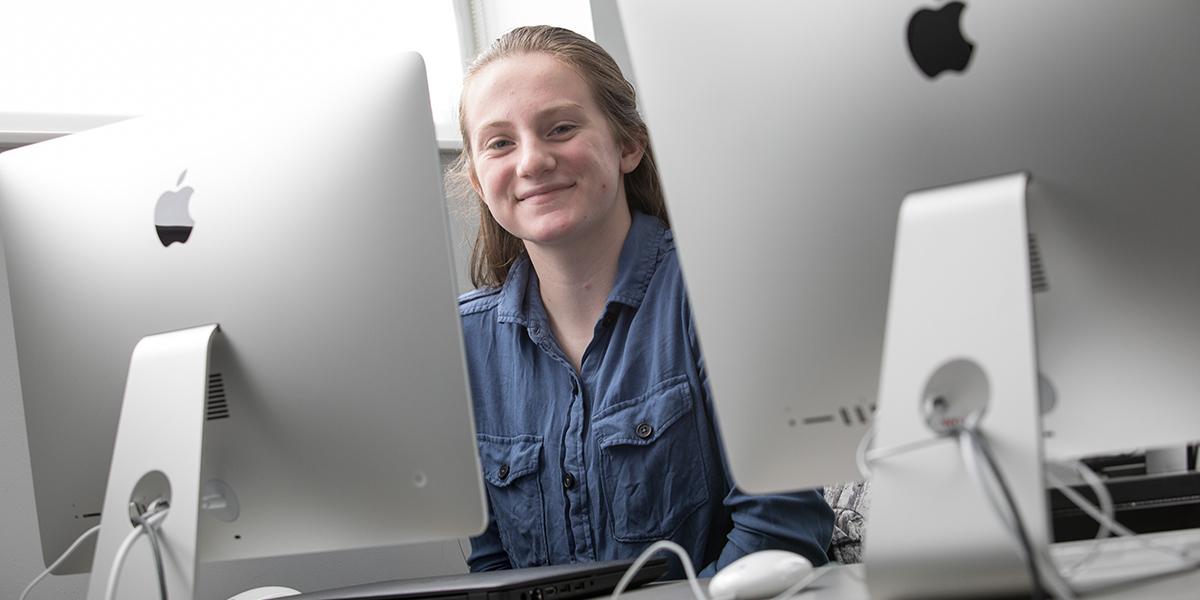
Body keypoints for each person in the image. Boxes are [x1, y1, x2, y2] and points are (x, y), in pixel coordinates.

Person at [446, 25, 834, 577]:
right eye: (500, 143)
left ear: (628, 144)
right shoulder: (463, 343)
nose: (531, 161)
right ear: (481, 182)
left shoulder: (721, 295)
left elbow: (780, 534)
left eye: (559, 128)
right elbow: (495, 569)